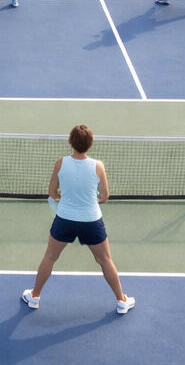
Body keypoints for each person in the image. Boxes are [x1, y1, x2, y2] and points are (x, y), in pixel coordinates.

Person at [20, 124, 135, 315]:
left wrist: (63, 198)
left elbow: (52, 192)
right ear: (90, 144)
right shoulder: (98, 166)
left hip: (65, 219)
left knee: (50, 257)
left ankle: (34, 297)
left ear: (71, 142)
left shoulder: (60, 163)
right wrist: (92, 199)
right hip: (91, 221)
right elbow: (105, 196)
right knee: (105, 260)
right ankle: (122, 301)